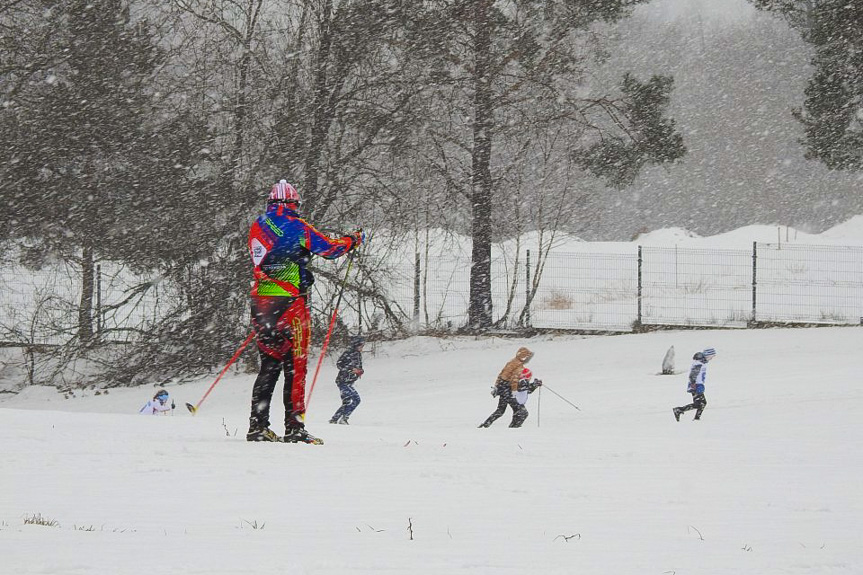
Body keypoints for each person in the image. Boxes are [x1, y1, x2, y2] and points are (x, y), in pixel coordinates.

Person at [246, 179, 363, 443]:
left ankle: (258, 426)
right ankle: (295, 428)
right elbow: (331, 249)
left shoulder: (258, 224)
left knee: (268, 366)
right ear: (293, 204)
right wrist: (353, 240)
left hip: (262, 302)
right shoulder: (297, 225)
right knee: (295, 366)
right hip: (291, 301)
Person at [479, 347, 534, 428]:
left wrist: (497, 386)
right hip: (508, 389)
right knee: (522, 412)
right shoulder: (519, 365)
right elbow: (514, 379)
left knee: (500, 410)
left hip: (502, 387)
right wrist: (514, 391)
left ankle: (486, 424)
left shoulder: (511, 362)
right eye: (527, 357)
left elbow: (501, 374)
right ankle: (513, 427)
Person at [329, 335, 365, 425]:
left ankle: (334, 419)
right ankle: (344, 418)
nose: (362, 348)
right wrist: (351, 369)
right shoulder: (348, 353)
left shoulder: (358, 355)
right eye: (361, 345)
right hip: (343, 381)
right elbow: (339, 364)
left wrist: (360, 371)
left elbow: (359, 367)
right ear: (356, 345)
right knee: (356, 399)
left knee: (347, 402)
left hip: (350, 382)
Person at [673, 347, 716, 421]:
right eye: (711, 356)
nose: (711, 358)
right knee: (701, 403)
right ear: (707, 355)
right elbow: (693, 374)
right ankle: (681, 410)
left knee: (700, 403)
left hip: (698, 385)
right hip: (696, 386)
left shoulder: (702, 362)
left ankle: (693, 416)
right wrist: (693, 383)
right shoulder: (698, 363)